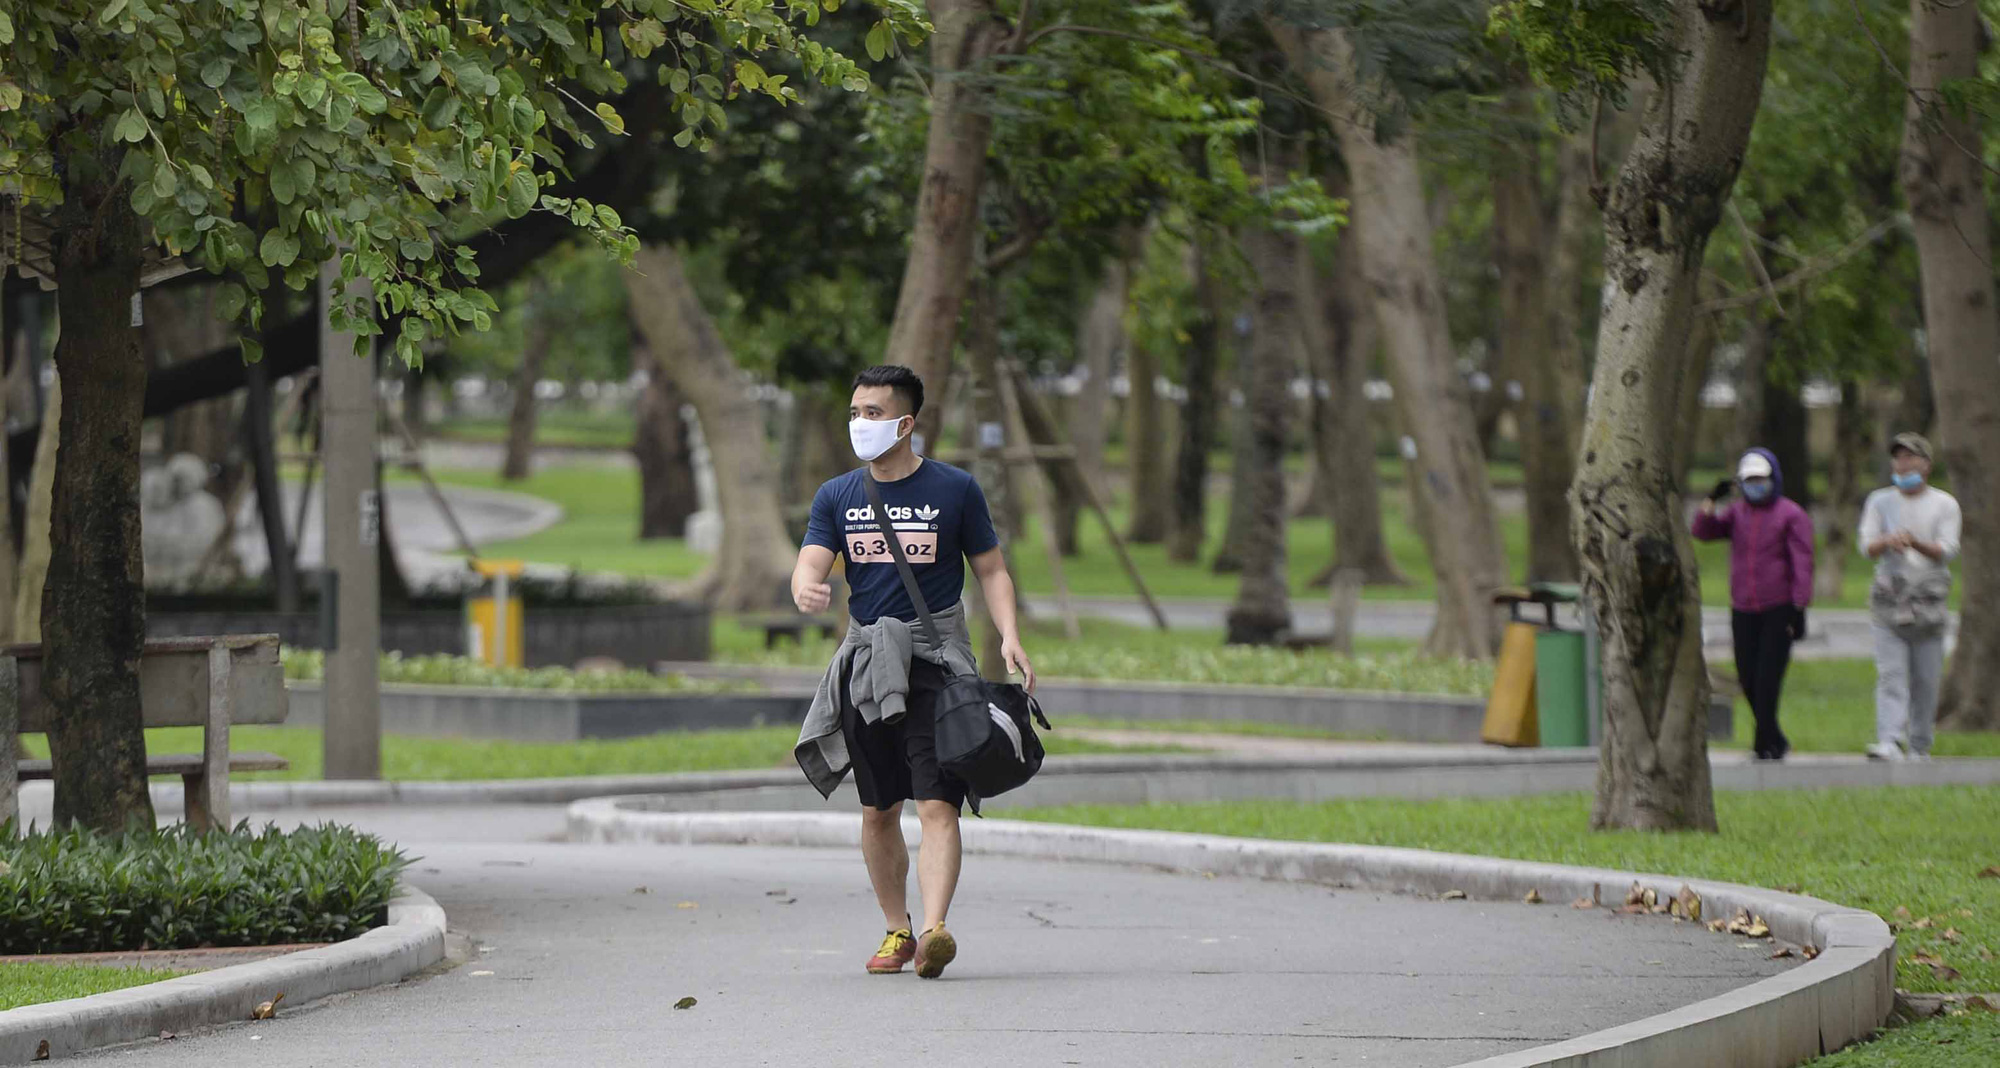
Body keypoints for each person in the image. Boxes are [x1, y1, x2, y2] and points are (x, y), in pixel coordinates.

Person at [791, 364, 1035, 980]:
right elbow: (811, 561)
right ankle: (897, 927)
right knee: (878, 809)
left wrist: (1008, 636)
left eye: (872, 413)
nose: (859, 424)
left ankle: (934, 931)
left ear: (906, 423)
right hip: (869, 667)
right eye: (854, 412)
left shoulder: (955, 490)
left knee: (936, 804)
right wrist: (806, 587)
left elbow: (992, 570)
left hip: (938, 670)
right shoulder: (837, 495)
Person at [1692, 448, 1814, 761]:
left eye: (1761, 479)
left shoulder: (1791, 515)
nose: (1755, 485)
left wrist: (1799, 607)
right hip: (1743, 607)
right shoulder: (1736, 513)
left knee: (1767, 678)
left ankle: (1765, 743)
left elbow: (1802, 562)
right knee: (1746, 677)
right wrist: (1711, 500)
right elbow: (1702, 532)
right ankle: (1775, 737)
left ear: (1773, 479)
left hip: (1778, 606)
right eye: (1749, 480)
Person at [1858, 433, 1960, 762]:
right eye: (1899, 458)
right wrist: (1889, 541)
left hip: (1928, 602)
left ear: (1926, 465)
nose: (1904, 464)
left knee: (1926, 679)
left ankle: (1919, 744)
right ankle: (1889, 739)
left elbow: (1947, 550)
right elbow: (1866, 546)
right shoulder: (1879, 501)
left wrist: (1914, 542)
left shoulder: (1944, 504)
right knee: (1891, 674)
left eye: (1911, 458)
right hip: (1889, 599)